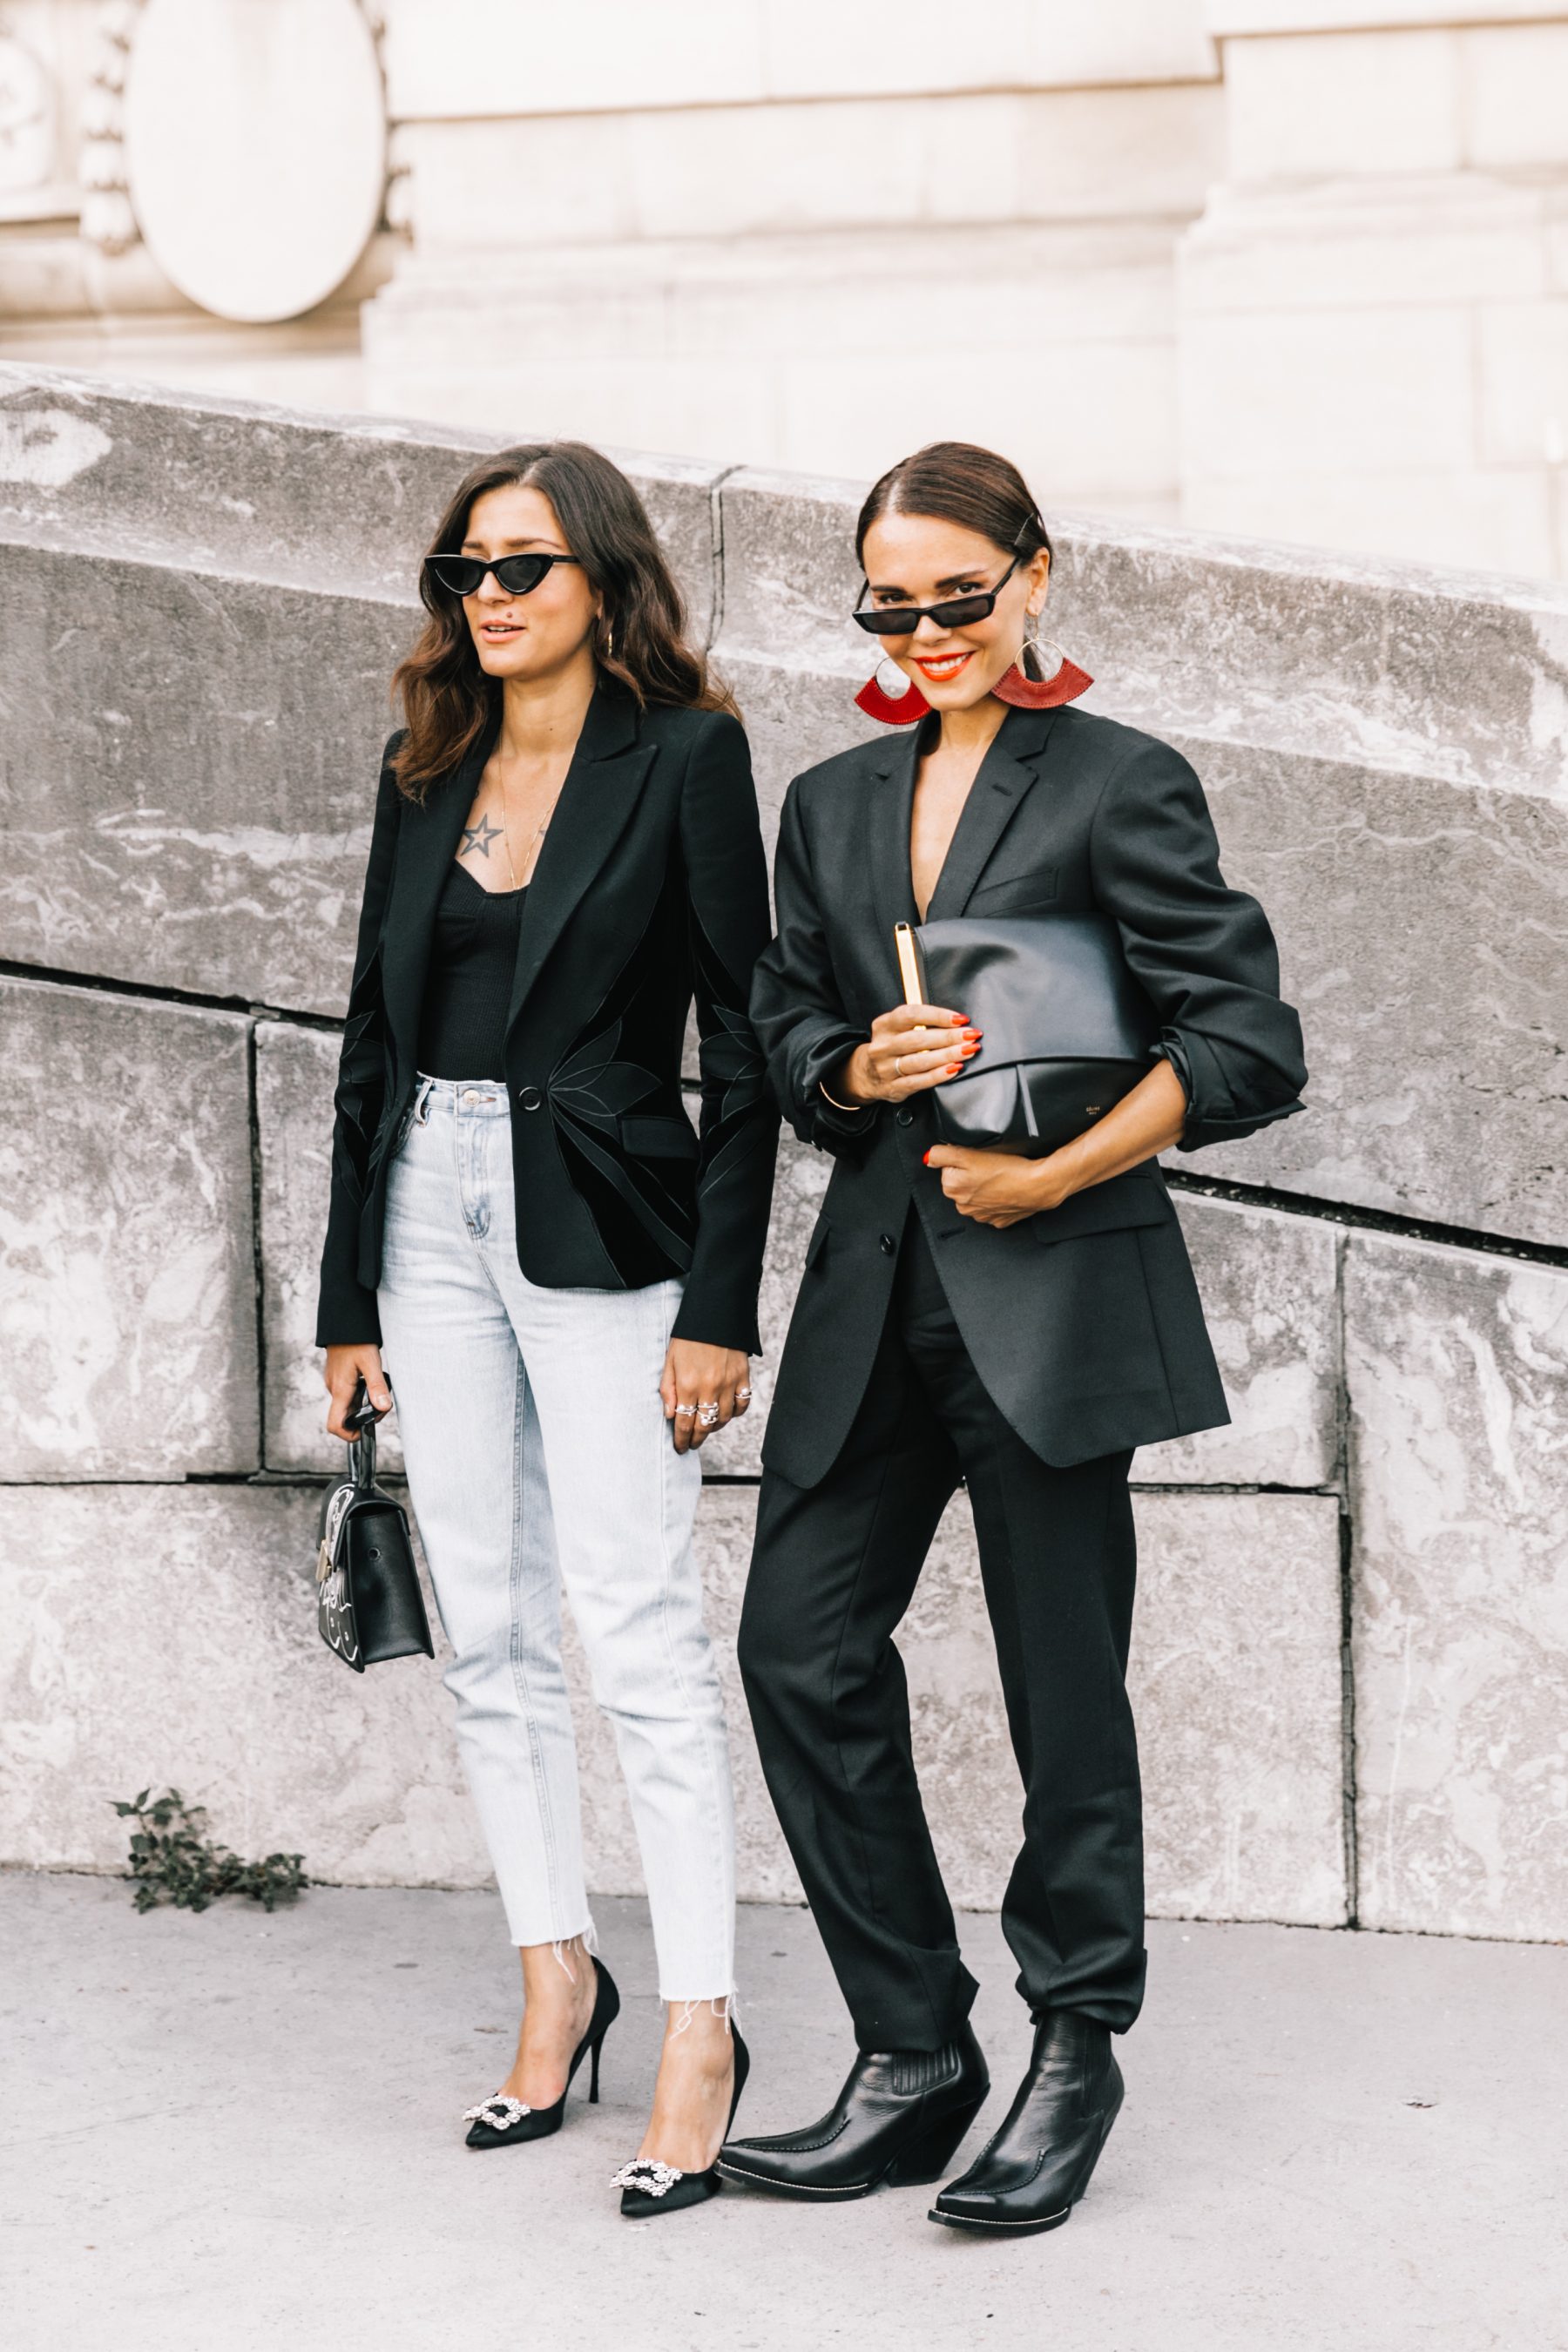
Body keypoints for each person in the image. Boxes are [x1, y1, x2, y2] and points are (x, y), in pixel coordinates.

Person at [720, 441, 1307, 2236]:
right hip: (873, 1294)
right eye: (889, 609)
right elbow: (783, 1023)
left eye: (956, 600)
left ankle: (1077, 2041)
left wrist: (1062, 1172)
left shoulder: (1121, 782)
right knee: (795, 1653)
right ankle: (914, 2052)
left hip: (1051, 1298)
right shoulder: (826, 802)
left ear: (1036, 575)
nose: (924, 632)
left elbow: (1248, 1043)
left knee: (1067, 1695)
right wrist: (846, 1064)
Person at [314, 441, 774, 2219]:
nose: (487, 599)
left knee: (637, 1619)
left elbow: (742, 1047)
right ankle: (551, 1974)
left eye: (522, 568)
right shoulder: (427, 761)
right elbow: (369, 1032)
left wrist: (720, 1309)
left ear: (603, 580)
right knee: (487, 1622)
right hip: (428, 1189)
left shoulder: (687, 757)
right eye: (464, 573)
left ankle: (699, 2022)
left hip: (603, 1216)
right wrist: (349, 1290)